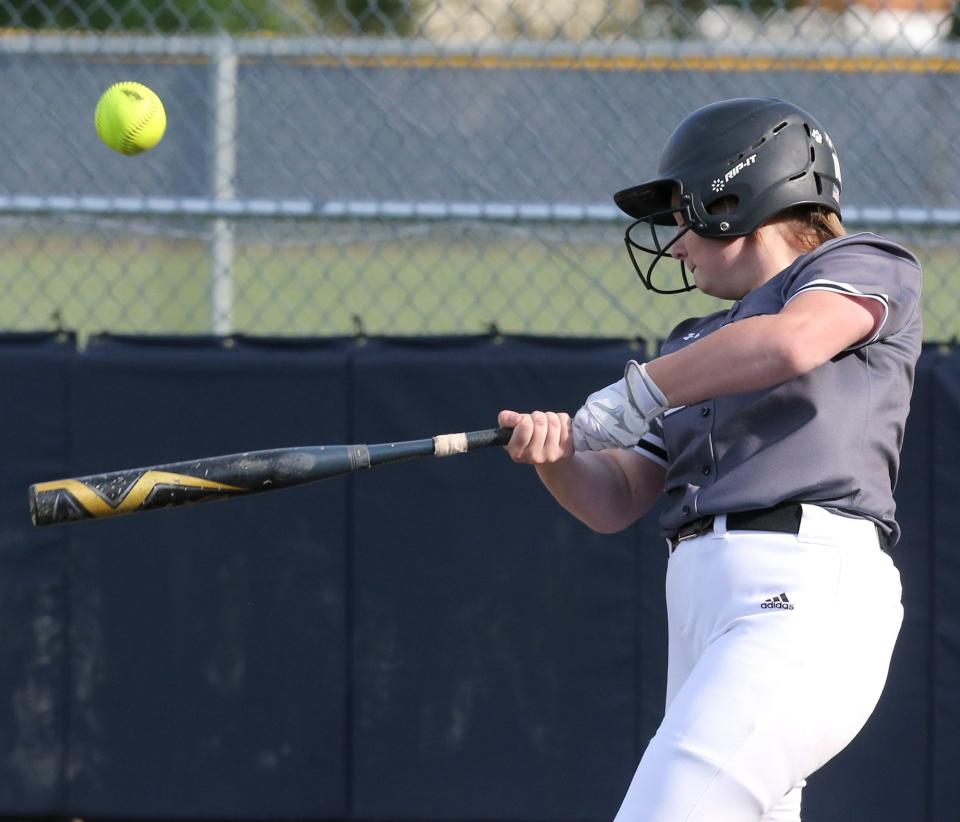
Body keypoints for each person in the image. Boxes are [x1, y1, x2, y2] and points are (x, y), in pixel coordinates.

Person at [498, 97, 922, 822]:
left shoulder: (861, 263)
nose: (675, 244)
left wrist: (643, 389)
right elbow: (617, 497)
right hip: (703, 606)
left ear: (736, 198)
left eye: (683, 215)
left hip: (802, 587)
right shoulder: (695, 342)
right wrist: (557, 455)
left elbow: (791, 342)